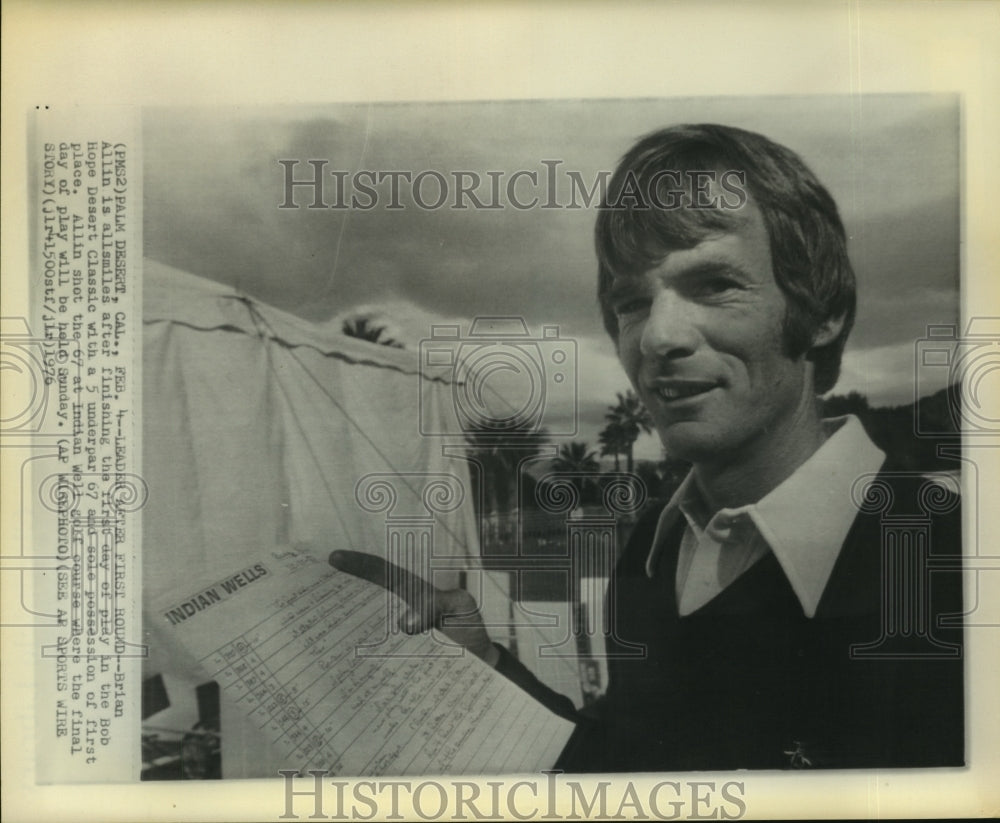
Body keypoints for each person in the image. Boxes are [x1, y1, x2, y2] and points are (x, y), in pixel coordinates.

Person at [332, 124, 964, 771]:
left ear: (821, 307)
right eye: (632, 302)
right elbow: (629, 768)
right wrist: (485, 663)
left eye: (715, 284)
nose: (658, 336)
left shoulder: (950, 564)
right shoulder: (651, 552)